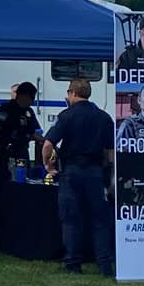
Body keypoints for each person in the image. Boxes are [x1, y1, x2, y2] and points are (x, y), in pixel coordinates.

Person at [43, 78, 116, 275]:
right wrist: (108, 172)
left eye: (68, 93)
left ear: (73, 93)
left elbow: (48, 144)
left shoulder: (66, 116)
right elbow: (110, 151)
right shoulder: (104, 117)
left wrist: (48, 165)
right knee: (99, 220)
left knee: (71, 219)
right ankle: (104, 265)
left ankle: (73, 264)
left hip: (72, 173)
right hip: (95, 173)